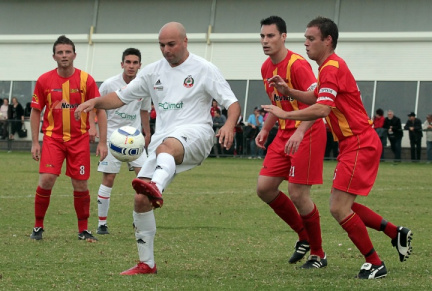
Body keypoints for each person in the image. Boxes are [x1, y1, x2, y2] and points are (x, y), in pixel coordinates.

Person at [74, 22, 240, 275]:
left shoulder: (205, 69)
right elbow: (120, 97)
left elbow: (233, 102)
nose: (166, 50)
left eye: (171, 44)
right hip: (164, 141)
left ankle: (157, 186)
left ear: (185, 41)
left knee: (167, 148)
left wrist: (229, 124)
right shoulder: (152, 72)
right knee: (141, 200)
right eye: (161, 45)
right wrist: (95, 101)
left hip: (197, 133)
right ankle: (147, 263)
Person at [262, 16, 412, 279]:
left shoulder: (331, 67)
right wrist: (290, 92)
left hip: (359, 142)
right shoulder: (328, 67)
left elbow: (322, 108)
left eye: (311, 39)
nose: (306, 44)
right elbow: (314, 97)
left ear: (327, 40)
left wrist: (285, 115)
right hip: (352, 143)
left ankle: (375, 263)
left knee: (338, 207)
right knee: (344, 206)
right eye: (306, 38)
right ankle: (394, 233)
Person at [256, 16, 327, 269]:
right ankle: (303, 235)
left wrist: (299, 132)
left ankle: (318, 254)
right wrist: (266, 129)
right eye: (263, 36)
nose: (265, 41)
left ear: (283, 37)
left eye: (271, 36)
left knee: (298, 193)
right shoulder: (266, 68)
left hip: (307, 131)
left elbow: (317, 103)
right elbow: (277, 103)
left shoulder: (297, 65)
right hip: (284, 132)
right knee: (264, 188)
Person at [29, 35, 108, 242]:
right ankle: (38, 226)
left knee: (80, 184)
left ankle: (83, 229)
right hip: (53, 138)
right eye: (60, 52)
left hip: (79, 139)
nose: (64, 56)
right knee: (46, 179)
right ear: (54, 56)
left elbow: (99, 109)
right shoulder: (44, 80)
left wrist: (101, 141)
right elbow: (36, 111)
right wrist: (35, 142)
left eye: (67, 52)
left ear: (74, 55)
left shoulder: (86, 80)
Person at [96, 48, 151, 235]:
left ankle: (139, 222)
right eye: (128, 62)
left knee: (144, 180)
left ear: (139, 66)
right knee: (109, 178)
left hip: (135, 138)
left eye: (135, 63)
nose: (131, 66)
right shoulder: (110, 84)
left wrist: (147, 132)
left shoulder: (143, 85)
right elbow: (98, 106)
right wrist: (99, 136)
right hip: (113, 137)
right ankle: (102, 223)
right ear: (122, 64)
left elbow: (144, 110)